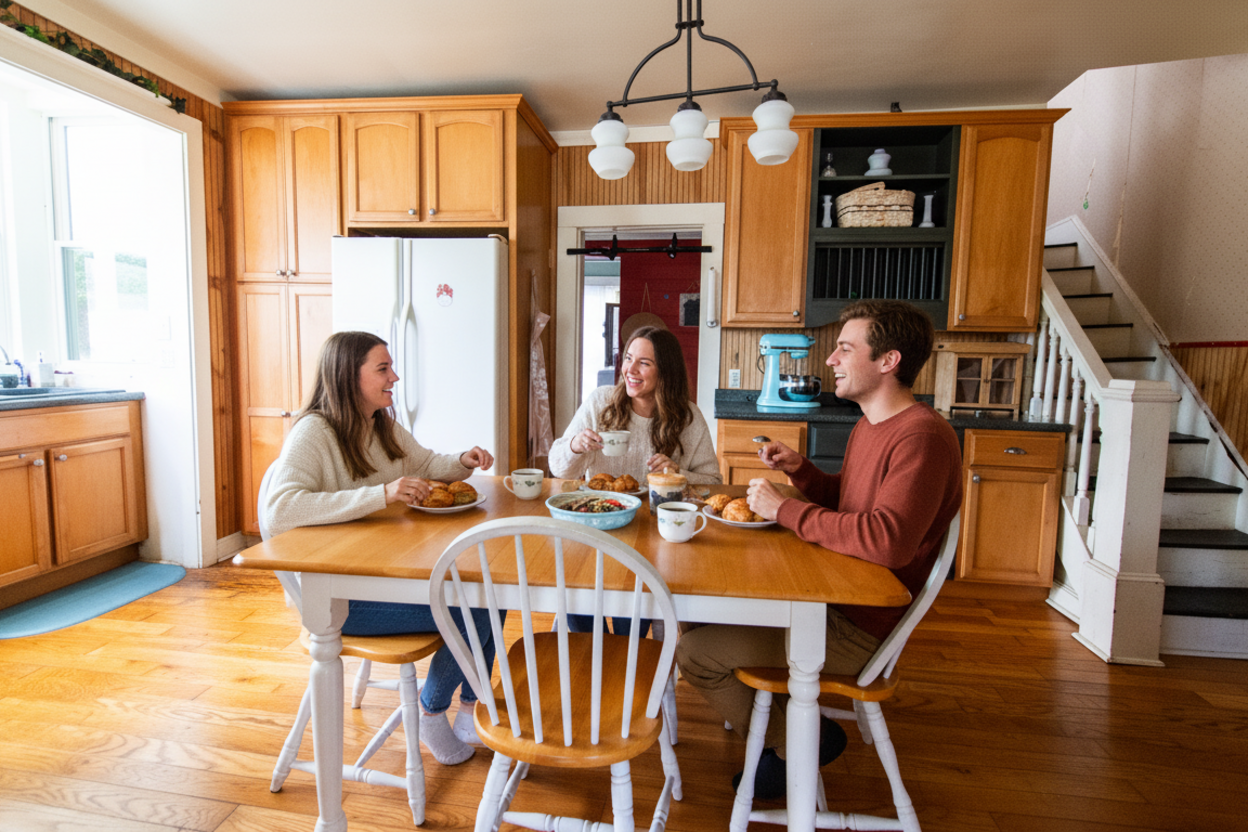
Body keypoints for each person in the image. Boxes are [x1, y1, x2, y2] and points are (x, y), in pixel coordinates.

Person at [675, 300, 963, 799]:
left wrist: (784, 511)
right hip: (832, 595)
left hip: (856, 624)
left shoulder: (922, 437)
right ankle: (790, 734)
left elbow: (887, 540)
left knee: (695, 654)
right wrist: (802, 472)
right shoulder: (872, 424)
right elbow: (850, 505)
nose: (830, 360)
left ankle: (794, 744)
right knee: (698, 616)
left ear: (887, 361)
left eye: (845, 348)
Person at [263, 330, 499, 767]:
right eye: (383, 368)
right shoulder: (314, 432)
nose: (395, 377)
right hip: (338, 597)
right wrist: (381, 494)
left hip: (379, 575)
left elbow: (426, 464)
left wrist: (462, 461)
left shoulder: (380, 423)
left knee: (491, 597)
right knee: (477, 605)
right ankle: (431, 712)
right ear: (348, 377)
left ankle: (468, 710)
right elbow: (280, 510)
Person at [549, 324, 722, 635]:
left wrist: (679, 474)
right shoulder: (601, 402)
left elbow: (714, 484)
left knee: (631, 629)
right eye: (628, 358)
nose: (630, 369)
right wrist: (575, 445)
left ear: (665, 372)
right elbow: (560, 468)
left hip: (651, 539)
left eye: (644, 362)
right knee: (581, 610)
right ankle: (588, 662)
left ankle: (630, 671)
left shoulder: (689, 418)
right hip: (596, 531)